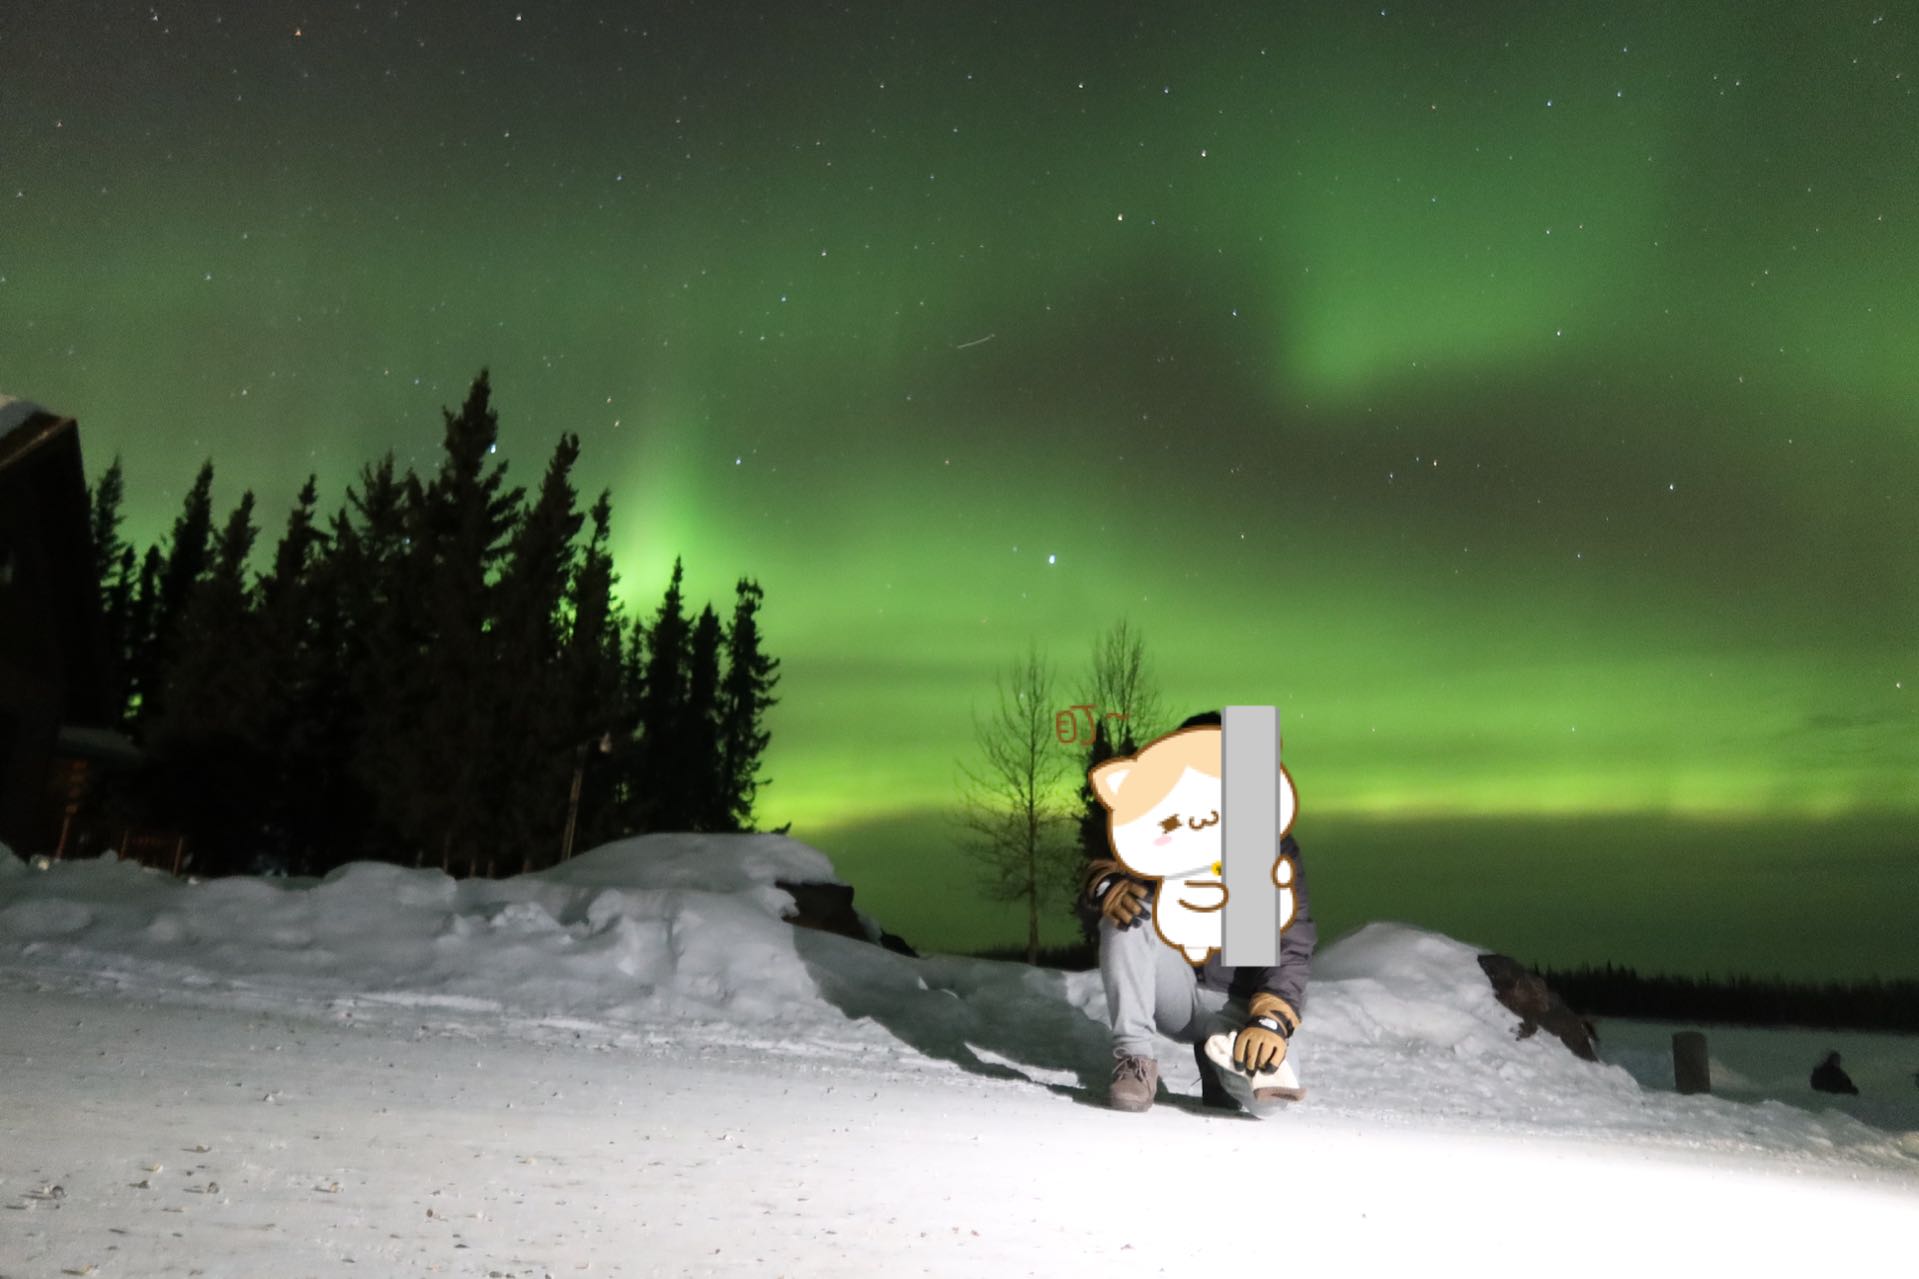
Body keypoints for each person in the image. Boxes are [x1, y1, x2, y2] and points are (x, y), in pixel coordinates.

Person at [1079, 710, 1317, 1114]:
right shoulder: (1164, 827)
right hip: (1178, 992)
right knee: (1131, 911)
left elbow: (1292, 944)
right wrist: (1106, 887)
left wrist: (1271, 1021)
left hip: (1238, 1004)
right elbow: (1109, 869)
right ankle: (1134, 1059)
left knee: (1269, 1102)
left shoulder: (1269, 847)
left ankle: (1219, 1064)